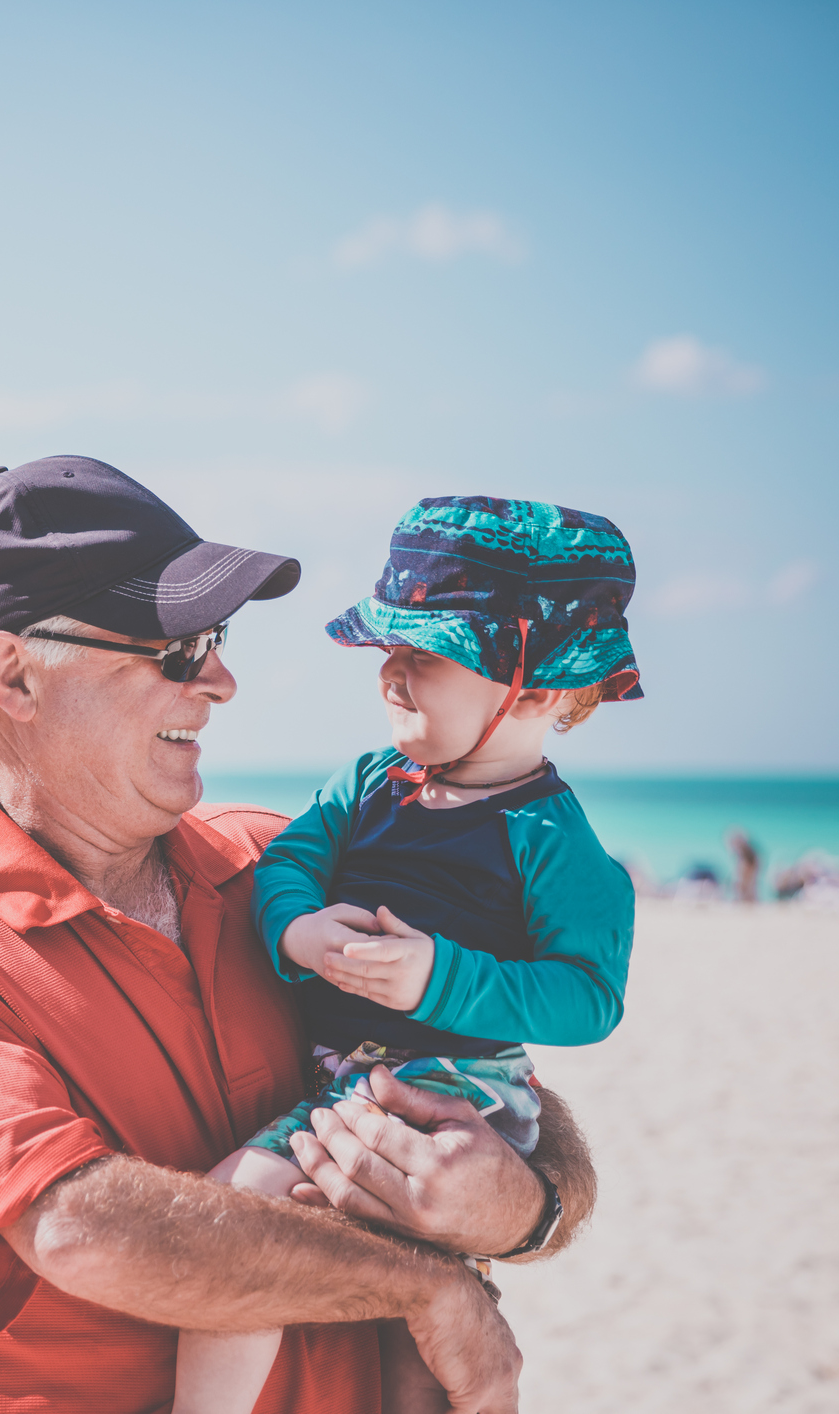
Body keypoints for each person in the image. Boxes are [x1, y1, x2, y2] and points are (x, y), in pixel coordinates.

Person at [0, 459, 597, 1413]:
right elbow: (81, 1228)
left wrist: (528, 1203)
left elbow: (503, 1082)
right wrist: (427, 1287)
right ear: (13, 673)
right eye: (176, 650)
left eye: (214, 638)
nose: (221, 680)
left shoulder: (282, 870)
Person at [173, 496, 640, 1414]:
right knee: (405, 1312)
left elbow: (587, 997)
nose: (389, 674)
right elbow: (293, 860)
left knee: (241, 1218)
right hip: (341, 1073)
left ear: (536, 691)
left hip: (454, 1087)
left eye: (423, 655)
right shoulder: (368, 782)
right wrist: (297, 929)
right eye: (385, 649)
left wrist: (440, 976)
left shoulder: (552, 838)